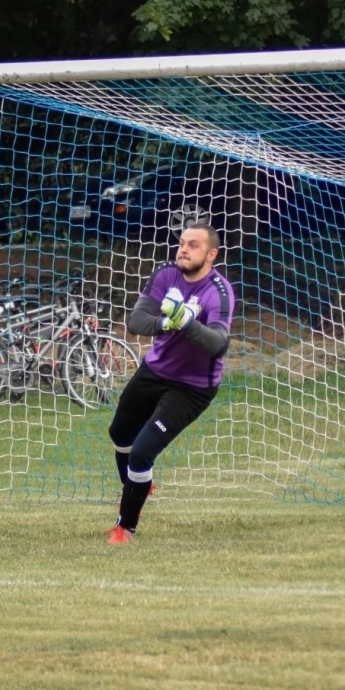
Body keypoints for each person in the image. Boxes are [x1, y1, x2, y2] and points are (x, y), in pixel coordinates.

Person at [106, 221, 235, 544]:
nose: (183, 249)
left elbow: (218, 344)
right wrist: (167, 321)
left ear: (211, 254)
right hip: (154, 370)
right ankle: (141, 485)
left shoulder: (218, 291)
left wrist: (188, 321)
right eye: (182, 243)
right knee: (119, 434)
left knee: (141, 453)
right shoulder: (166, 274)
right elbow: (137, 321)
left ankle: (125, 527)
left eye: (193, 245)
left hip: (192, 387)